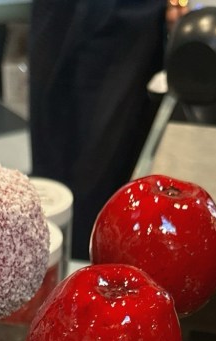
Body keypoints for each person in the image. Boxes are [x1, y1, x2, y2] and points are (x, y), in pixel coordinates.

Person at [28, 0, 174, 260]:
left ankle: (90, 269)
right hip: (59, 10)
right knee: (50, 156)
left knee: (100, 165)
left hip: (127, 15)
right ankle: (50, 262)